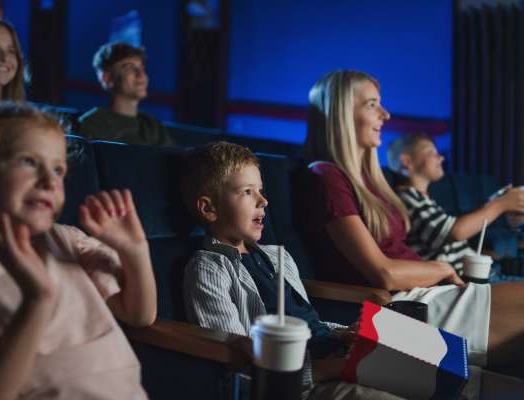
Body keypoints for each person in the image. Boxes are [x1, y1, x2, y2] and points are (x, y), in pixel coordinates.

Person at [179, 141, 522, 400]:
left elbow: (309, 322)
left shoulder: (275, 255)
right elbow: (239, 356)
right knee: (429, 385)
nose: (263, 201)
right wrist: (333, 366)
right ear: (208, 208)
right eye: (247, 192)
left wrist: (345, 333)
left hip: (336, 350)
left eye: (262, 191)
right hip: (308, 378)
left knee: (462, 368)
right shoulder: (209, 270)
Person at [0, 102, 156, 399]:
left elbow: (140, 314)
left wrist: (134, 250)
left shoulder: (68, 241)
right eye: (28, 162)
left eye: (58, 169)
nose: (49, 181)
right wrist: (36, 301)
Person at [302, 69, 524, 379]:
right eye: (372, 105)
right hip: (402, 305)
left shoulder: (367, 181)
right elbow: (384, 273)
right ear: (340, 113)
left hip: (423, 292)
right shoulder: (326, 176)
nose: (386, 113)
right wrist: (444, 269)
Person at [386, 132, 524, 275]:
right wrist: (502, 204)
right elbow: (455, 232)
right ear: (408, 161)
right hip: (461, 279)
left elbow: (455, 226)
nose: (441, 157)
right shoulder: (407, 198)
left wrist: (493, 202)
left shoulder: (422, 199)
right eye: (431, 152)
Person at [77, 41, 176, 146]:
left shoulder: (151, 124)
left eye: (142, 68)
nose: (140, 74)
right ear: (108, 79)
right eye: (129, 67)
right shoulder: (94, 123)